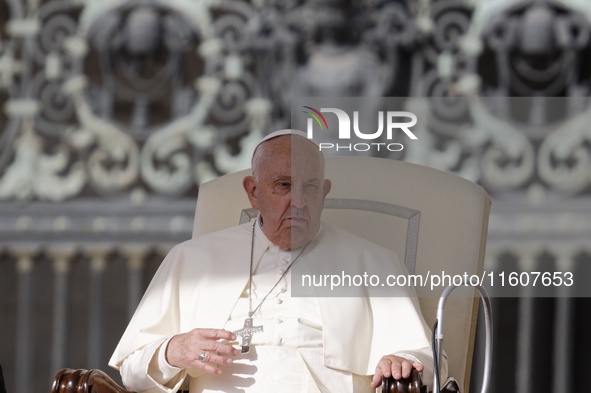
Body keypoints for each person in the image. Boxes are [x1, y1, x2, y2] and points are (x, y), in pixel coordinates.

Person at [109, 130, 447, 393]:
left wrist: (406, 361)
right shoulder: (192, 259)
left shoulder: (373, 262)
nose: (298, 202)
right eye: (283, 186)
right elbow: (132, 369)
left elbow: (426, 358)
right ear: (253, 192)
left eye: (310, 187)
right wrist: (174, 349)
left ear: (324, 191)